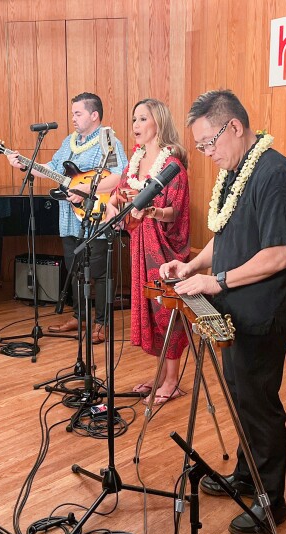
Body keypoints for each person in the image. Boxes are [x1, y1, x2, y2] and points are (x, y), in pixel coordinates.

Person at [160, 89, 286, 534]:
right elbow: (224, 233)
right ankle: (247, 476)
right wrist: (193, 265)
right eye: (200, 146)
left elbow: (279, 254)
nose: (206, 153)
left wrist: (216, 282)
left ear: (235, 127)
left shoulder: (275, 175)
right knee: (240, 399)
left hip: (261, 314)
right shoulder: (234, 171)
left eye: (209, 143)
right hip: (231, 312)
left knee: (259, 405)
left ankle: (271, 502)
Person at [6, 92, 127, 344]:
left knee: (99, 271)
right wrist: (24, 164)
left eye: (78, 113)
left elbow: (119, 176)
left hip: (96, 213)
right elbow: (51, 168)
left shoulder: (108, 139)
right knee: (74, 268)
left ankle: (102, 323)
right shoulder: (69, 141)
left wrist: (85, 190)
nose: (73, 118)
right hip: (70, 217)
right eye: (72, 113)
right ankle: (79, 316)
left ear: (94, 115)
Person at [103, 99, 190, 404]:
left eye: (143, 119)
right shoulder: (135, 160)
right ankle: (160, 378)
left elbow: (174, 213)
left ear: (159, 123)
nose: (136, 126)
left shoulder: (172, 166)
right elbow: (118, 195)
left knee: (166, 312)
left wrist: (152, 211)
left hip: (164, 250)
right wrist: (111, 209)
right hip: (139, 245)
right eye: (134, 119)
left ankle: (172, 381)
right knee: (150, 312)